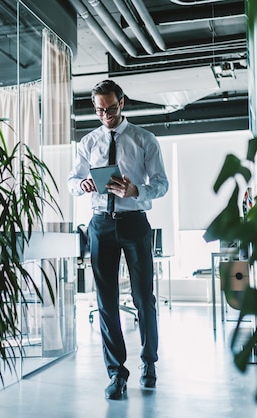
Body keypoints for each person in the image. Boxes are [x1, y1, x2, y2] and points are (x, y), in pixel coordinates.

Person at [67, 80, 169, 399]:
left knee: (144, 299)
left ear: (121, 103)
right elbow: (71, 181)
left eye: (110, 108)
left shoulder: (144, 139)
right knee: (105, 302)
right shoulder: (89, 142)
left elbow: (162, 184)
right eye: (99, 110)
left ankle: (149, 362)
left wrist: (135, 190)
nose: (106, 115)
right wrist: (82, 184)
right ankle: (116, 373)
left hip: (135, 221)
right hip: (100, 224)